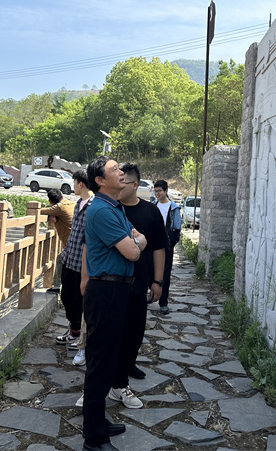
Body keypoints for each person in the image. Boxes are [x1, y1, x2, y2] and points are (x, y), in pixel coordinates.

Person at [80, 156, 145, 451]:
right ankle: (93, 438)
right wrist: (135, 243)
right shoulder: (101, 210)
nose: (121, 173)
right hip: (106, 291)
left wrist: (135, 242)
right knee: (100, 363)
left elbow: (138, 240)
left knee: (109, 361)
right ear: (99, 180)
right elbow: (133, 251)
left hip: (118, 290)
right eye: (114, 170)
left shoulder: (115, 207)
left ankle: (99, 422)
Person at [115, 163, 166, 396]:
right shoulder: (110, 209)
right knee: (113, 331)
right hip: (111, 282)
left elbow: (158, 248)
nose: (119, 185)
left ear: (135, 185)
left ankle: (128, 365)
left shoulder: (150, 212)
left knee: (135, 331)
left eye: (123, 182)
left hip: (139, 282)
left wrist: (157, 281)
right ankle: (115, 372)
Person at [50, 171, 93, 354]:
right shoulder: (77, 204)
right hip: (70, 258)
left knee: (80, 301)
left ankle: (81, 335)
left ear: (80, 184)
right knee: (67, 296)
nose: (73, 186)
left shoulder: (92, 206)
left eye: (74, 183)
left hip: (82, 263)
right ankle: (74, 330)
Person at [152, 180, 181, 314]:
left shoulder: (174, 208)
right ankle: (152, 295)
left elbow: (177, 228)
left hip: (167, 245)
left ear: (166, 191)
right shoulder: (153, 206)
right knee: (150, 270)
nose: (157, 193)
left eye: (159, 191)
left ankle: (163, 302)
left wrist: (171, 243)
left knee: (165, 273)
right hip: (152, 244)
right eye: (155, 191)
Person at [41, 188, 74, 297]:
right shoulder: (69, 203)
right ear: (62, 196)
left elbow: (40, 211)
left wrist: (48, 211)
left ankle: (56, 286)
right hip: (74, 240)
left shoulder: (59, 207)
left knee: (60, 260)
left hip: (71, 242)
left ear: (50, 201)